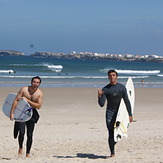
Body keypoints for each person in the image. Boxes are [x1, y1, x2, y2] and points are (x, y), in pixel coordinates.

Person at [97, 70, 133, 158]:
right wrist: (99, 96)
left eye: (113, 75)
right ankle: (112, 152)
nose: (112, 77)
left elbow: (127, 101)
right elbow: (101, 104)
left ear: (117, 76)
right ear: (108, 77)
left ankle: (114, 141)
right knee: (110, 132)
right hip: (110, 112)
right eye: (110, 75)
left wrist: (130, 114)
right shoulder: (105, 89)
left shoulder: (122, 88)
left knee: (116, 132)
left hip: (119, 113)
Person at [10, 76, 43, 158]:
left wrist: (27, 100)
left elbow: (38, 106)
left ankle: (28, 153)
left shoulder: (39, 93)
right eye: (34, 82)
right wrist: (12, 112)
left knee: (30, 134)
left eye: (37, 82)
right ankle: (20, 147)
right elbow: (16, 100)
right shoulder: (24, 89)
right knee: (21, 132)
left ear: (39, 84)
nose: (35, 84)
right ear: (31, 82)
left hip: (31, 113)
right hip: (21, 112)